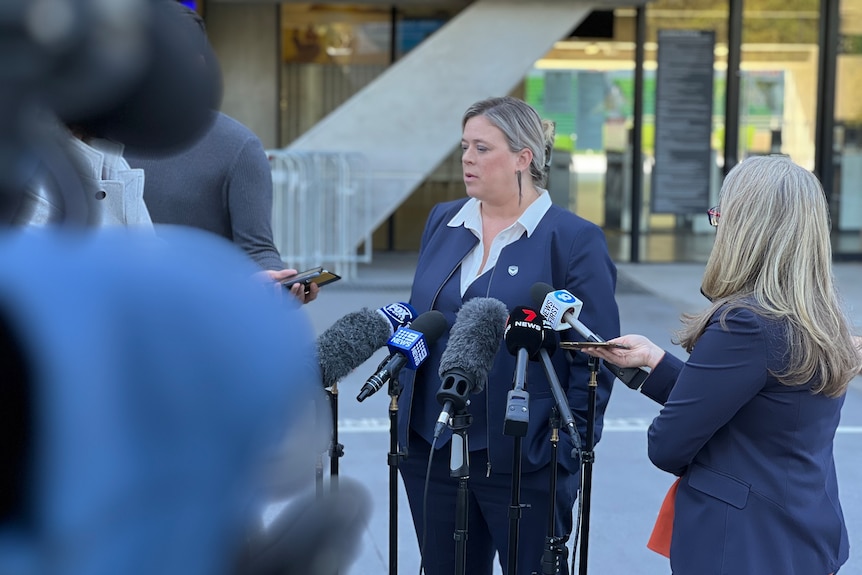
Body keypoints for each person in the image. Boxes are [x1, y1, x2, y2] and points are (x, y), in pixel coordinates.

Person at [581, 155, 862, 575]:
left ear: (746, 228)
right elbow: (761, 416)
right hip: (800, 535)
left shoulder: (746, 323)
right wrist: (657, 365)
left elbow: (667, 445)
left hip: (740, 544)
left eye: (721, 216)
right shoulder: (819, 319)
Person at [396, 96, 620, 575]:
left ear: (524, 158)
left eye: (482, 147)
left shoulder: (573, 239)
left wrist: (569, 449)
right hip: (431, 446)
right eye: (464, 147)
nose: (467, 159)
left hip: (524, 456)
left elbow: (594, 355)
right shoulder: (444, 220)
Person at [123, 6, 318, 302]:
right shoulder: (93, 138)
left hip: (200, 316)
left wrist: (275, 285)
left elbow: (258, 249)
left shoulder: (238, 146)